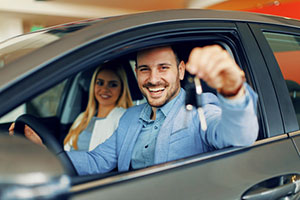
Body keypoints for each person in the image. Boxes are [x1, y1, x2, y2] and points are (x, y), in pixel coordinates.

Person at [67, 44, 259, 175]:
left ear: (181, 71)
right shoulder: (129, 117)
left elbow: (239, 137)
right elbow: (96, 161)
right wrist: (44, 155)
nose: (153, 79)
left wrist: (233, 91)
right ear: (136, 74)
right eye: (144, 69)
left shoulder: (201, 108)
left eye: (163, 68)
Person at [9, 61, 133, 151]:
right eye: (100, 83)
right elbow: (66, 154)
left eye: (113, 84)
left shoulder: (122, 119)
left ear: (122, 89)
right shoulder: (82, 117)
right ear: (93, 86)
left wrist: (42, 147)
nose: (104, 89)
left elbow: (97, 164)